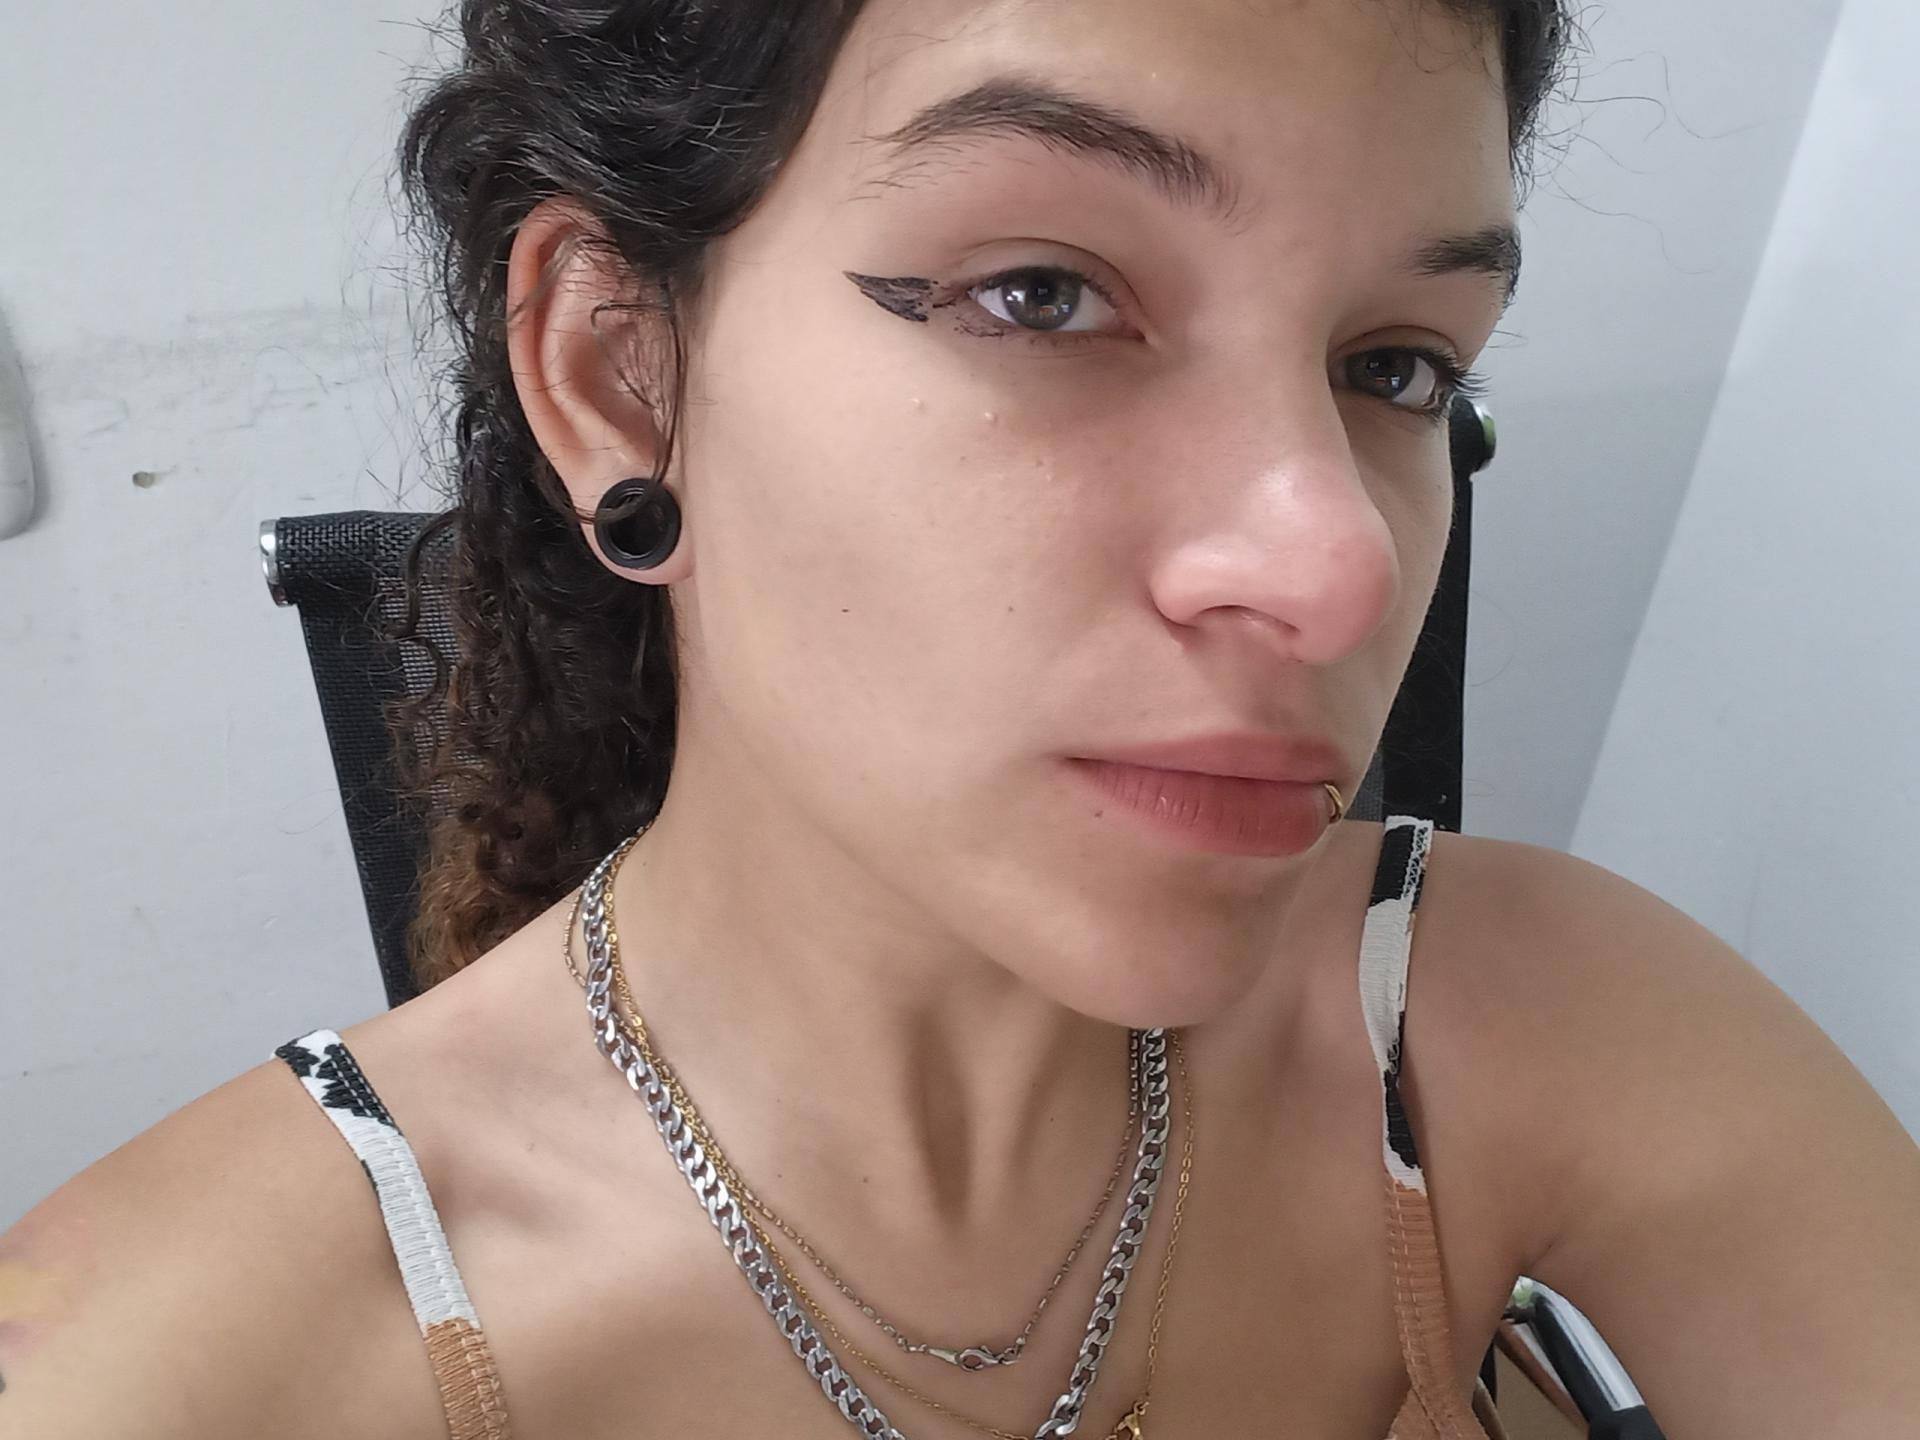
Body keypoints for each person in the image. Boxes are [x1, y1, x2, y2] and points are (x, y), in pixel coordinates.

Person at [6, 1, 1919, 1435]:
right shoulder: (181, 1364)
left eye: (1398, 366)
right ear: (619, 375)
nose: (1338, 565)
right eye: (1042, 293)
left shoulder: (1530, 1029)